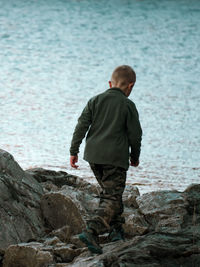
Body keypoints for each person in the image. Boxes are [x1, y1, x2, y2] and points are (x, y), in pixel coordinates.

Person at [69, 65, 142, 254]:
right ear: (131, 86)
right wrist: (135, 156)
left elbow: (81, 125)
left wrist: (73, 150)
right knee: (112, 196)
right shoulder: (127, 105)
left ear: (110, 83)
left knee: (112, 193)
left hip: (93, 157)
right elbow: (135, 135)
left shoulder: (95, 100)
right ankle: (91, 230)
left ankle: (116, 231)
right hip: (115, 159)